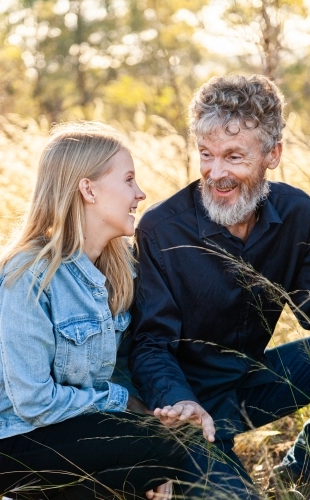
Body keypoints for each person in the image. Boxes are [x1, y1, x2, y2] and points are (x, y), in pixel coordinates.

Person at [0, 121, 188, 500]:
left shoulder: (117, 268)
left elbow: (120, 364)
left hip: (63, 429)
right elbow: (33, 401)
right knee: (153, 449)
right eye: (128, 180)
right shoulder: (29, 276)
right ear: (88, 189)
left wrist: (156, 458)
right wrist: (126, 405)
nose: (140, 194)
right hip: (5, 438)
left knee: (166, 447)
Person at [129, 74, 310, 499]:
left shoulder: (299, 212)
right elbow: (150, 344)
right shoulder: (160, 228)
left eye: (233, 156)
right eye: (206, 155)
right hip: (191, 413)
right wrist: (178, 402)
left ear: (273, 155)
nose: (216, 173)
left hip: (252, 383)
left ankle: (297, 473)